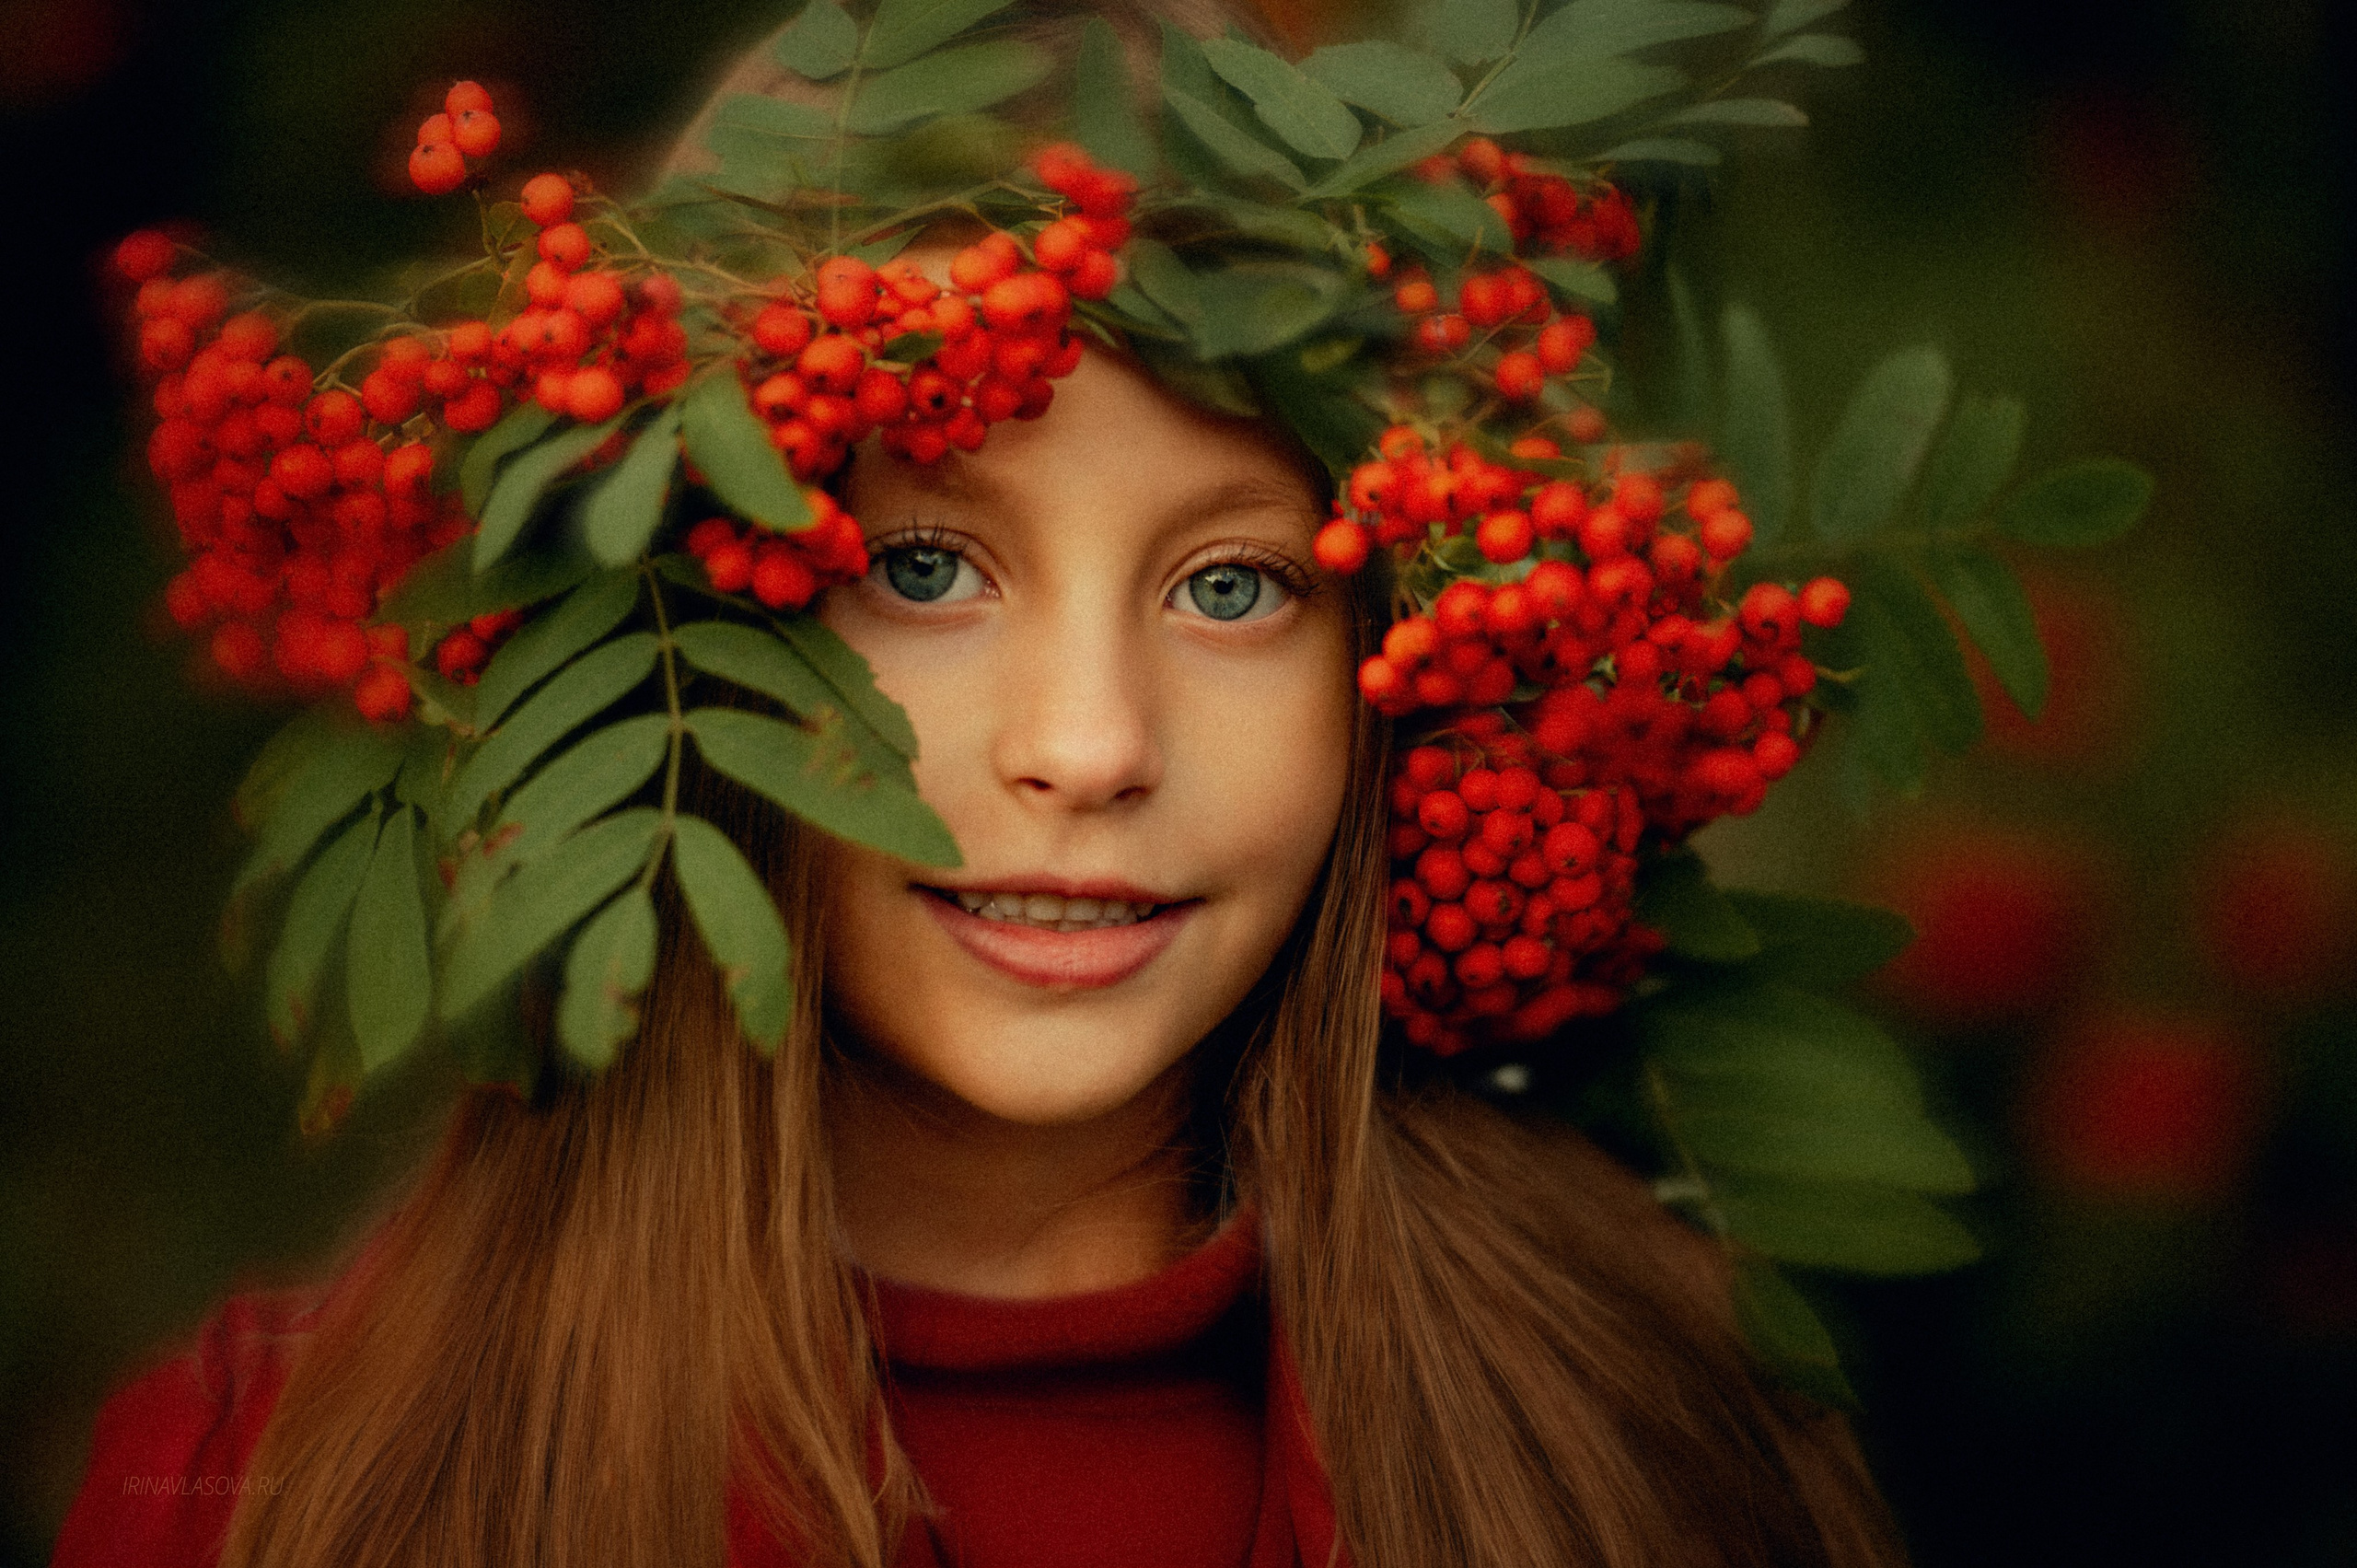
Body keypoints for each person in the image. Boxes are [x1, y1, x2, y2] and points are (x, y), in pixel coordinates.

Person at [52, 3, 1914, 1564]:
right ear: (645, 634)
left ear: (1396, 682)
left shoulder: (1666, 1446)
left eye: (1233, 586)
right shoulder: (258, 1490)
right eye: (923, 570)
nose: (1089, 748)